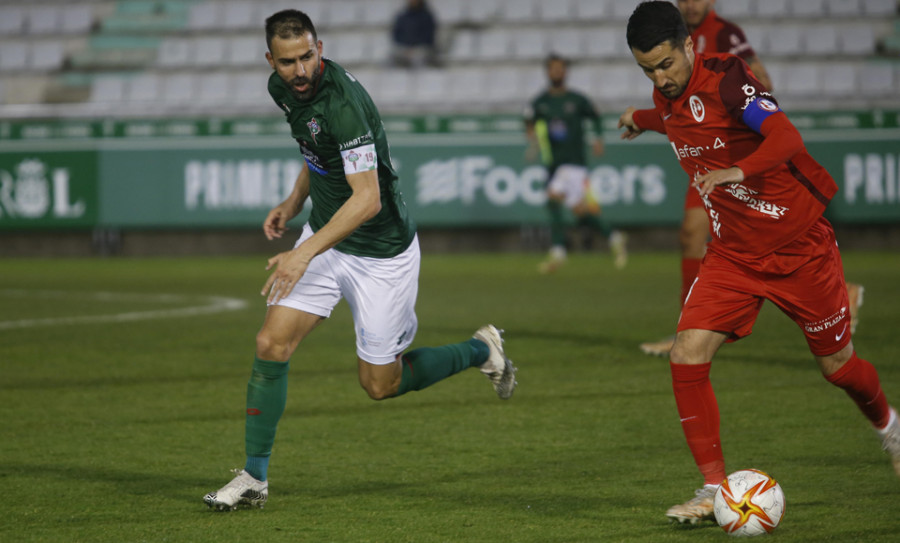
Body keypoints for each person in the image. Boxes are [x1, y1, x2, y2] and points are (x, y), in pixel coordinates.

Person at [203, 9, 517, 512]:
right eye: (289, 62)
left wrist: (302, 253)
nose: (300, 70)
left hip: (380, 253)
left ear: (320, 48)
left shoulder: (342, 103)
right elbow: (315, 151)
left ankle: (481, 350)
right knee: (270, 343)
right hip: (327, 236)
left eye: (308, 56)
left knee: (380, 384)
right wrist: (293, 203)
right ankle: (254, 478)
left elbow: (367, 199)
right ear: (272, 61)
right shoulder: (283, 90)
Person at [618, 0, 900, 525]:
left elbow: (787, 137)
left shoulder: (729, 79)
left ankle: (890, 428)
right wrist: (639, 118)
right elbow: (678, 118)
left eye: (666, 64)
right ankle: (711, 488)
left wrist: (737, 172)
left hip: (799, 248)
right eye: (647, 70)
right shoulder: (668, 95)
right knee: (687, 354)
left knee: (838, 368)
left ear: (688, 45)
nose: (661, 77)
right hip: (733, 255)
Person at [637, 0, 863, 357]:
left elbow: (762, 84)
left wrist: (741, 108)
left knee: (753, 239)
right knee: (691, 235)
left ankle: (838, 293)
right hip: (706, 162)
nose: (691, 5)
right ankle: (686, 329)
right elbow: (677, 111)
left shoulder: (725, 35)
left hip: (736, 159)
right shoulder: (665, 53)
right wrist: (639, 117)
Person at [524, 53, 627, 274]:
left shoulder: (577, 100)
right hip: (554, 163)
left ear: (566, 72)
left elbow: (596, 117)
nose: (557, 72)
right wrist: (532, 138)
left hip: (573, 163)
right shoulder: (541, 101)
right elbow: (528, 120)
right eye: (553, 68)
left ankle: (559, 250)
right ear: (547, 72)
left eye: (560, 68)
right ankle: (614, 237)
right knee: (579, 210)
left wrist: (598, 138)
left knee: (552, 198)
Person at [390, 0, 438, 68]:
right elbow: (397, 34)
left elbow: (429, 35)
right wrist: (406, 47)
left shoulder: (427, 16)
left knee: (420, 58)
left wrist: (414, 47)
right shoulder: (402, 17)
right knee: (392, 56)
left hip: (421, 48)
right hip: (404, 48)